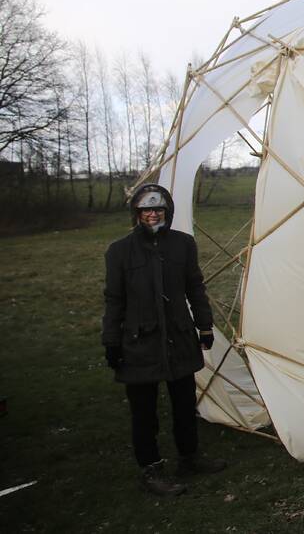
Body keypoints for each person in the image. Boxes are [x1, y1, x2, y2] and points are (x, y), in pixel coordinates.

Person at [102, 183, 227, 495]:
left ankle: (190, 457)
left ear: (167, 212)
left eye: (158, 209)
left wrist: (205, 326)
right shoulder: (119, 251)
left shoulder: (183, 245)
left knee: (185, 403)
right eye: (146, 209)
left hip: (179, 338)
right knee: (143, 412)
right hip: (139, 342)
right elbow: (114, 300)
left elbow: (195, 288)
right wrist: (111, 341)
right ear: (137, 214)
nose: (152, 214)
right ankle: (151, 469)